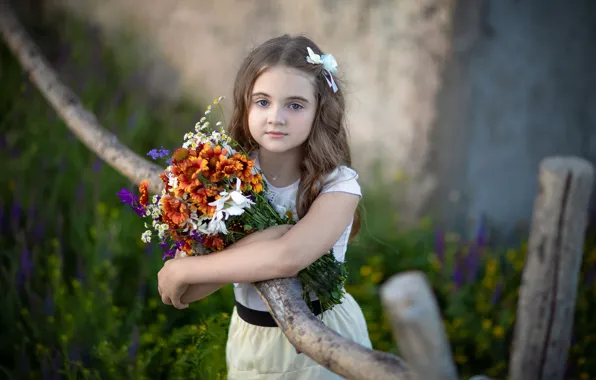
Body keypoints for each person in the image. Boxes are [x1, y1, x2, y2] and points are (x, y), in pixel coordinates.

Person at [157, 34, 372, 379]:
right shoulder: (221, 176)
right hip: (251, 340)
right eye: (263, 102)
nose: (276, 117)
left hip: (326, 340)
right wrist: (264, 239)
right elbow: (189, 293)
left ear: (320, 111)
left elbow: (289, 257)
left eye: (295, 105)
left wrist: (183, 269)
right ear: (245, 105)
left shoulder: (338, 186)